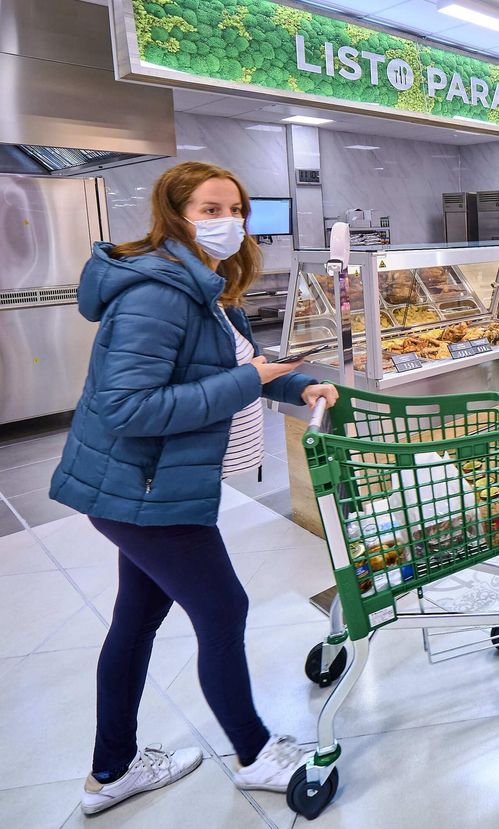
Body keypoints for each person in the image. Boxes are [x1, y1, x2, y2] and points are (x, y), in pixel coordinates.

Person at [48, 162, 339, 816]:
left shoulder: (204, 287)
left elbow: (244, 365)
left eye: (235, 208)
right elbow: (130, 408)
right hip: (144, 488)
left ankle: (111, 772)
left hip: (146, 486)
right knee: (222, 609)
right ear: (174, 215)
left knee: (136, 619)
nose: (228, 221)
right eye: (210, 209)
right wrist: (250, 381)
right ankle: (256, 752)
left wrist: (299, 385)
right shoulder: (157, 293)